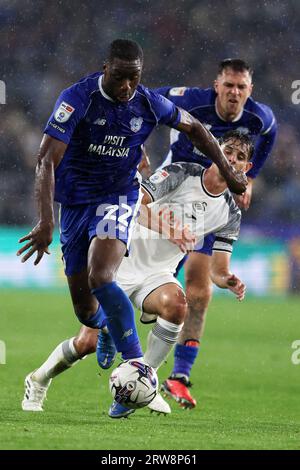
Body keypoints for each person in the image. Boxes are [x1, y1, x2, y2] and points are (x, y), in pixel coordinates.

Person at [17, 39, 247, 386]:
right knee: (85, 308)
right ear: (105, 68)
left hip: (119, 195)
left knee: (102, 276)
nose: (127, 88)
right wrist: (46, 220)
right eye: (121, 78)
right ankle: (108, 326)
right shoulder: (77, 99)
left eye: (134, 80)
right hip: (77, 202)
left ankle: (137, 367)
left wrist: (228, 173)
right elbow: (46, 159)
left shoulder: (148, 101)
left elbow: (196, 129)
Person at [22, 130, 251, 418]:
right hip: (119, 260)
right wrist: (170, 229)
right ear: (216, 150)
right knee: (86, 343)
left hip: (157, 274)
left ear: (247, 168)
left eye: (240, 157)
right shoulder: (182, 173)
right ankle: (39, 379)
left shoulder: (231, 214)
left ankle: (141, 383)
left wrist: (227, 280)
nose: (232, 159)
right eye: (228, 151)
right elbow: (132, 205)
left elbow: (218, 270)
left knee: (177, 306)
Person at [150, 58, 277, 408]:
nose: (234, 93)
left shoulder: (259, 118)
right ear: (216, 85)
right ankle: (105, 331)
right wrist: (138, 149)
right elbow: (145, 101)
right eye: (228, 85)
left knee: (199, 292)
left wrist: (247, 179)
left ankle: (178, 377)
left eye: (241, 87)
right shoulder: (191, 101)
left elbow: (270, 135)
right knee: (147, 279)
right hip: (172, 196)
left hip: (209, 205)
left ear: (249, 91)